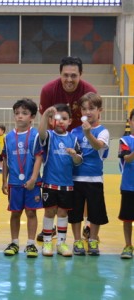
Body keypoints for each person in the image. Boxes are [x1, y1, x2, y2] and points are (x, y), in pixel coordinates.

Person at [38, 56, 97, 241]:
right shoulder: (48, 90)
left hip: (80, 138)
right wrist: (53, 142)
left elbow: (94, 120)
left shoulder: (89, 91)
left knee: (82, 183)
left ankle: (87, 224)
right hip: (56, 139)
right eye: (65, 75)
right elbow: (46, 123)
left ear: (81, 74)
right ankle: (51, 227)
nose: (69, 79)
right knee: (54, 184)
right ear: (60, 74)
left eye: (74, 75)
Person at [68, 92, 109, 256]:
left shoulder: (103, 131)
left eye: (91, 108)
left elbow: (98, 146)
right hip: (75, 179)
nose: (87, 112)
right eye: (84, 109)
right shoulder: (74, 132)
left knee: (95, 213)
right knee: (75, 212)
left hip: (94, 179)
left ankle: (92, 240)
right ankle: (77, 240)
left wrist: (88, 134)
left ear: (100, 110)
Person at [39, 103, 82, 257]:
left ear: (70, 121)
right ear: (52, 121)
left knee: (63, 213)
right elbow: (41, 133)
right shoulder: (50, 136)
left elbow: (78, 161)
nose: (61, 121)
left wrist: (74, 156)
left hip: (67, 185)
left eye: (64, 118)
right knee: (49, 212)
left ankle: (62, 243)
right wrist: (45, 115)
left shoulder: (73, 138)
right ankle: (47, 242)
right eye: (57, 118)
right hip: (50, 182)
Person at [2, 99, 43, 258]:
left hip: (32, 182)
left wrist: (33, 178)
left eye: (24, 113)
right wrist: (4, 181)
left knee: (31, 213)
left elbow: (39, 158)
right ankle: (14, 242)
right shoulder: (8, 137)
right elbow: (5, 160)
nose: (20, 116)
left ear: (32, 117)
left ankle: (31, 244)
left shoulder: (36, 135)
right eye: (17, 113)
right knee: (15, 213)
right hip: (14, 183)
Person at [118, 108, 134, 259]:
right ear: (130, 121)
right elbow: (127, 158)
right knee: (128, 218)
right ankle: (128, 245)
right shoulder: (125, 141)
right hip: (129, 186)